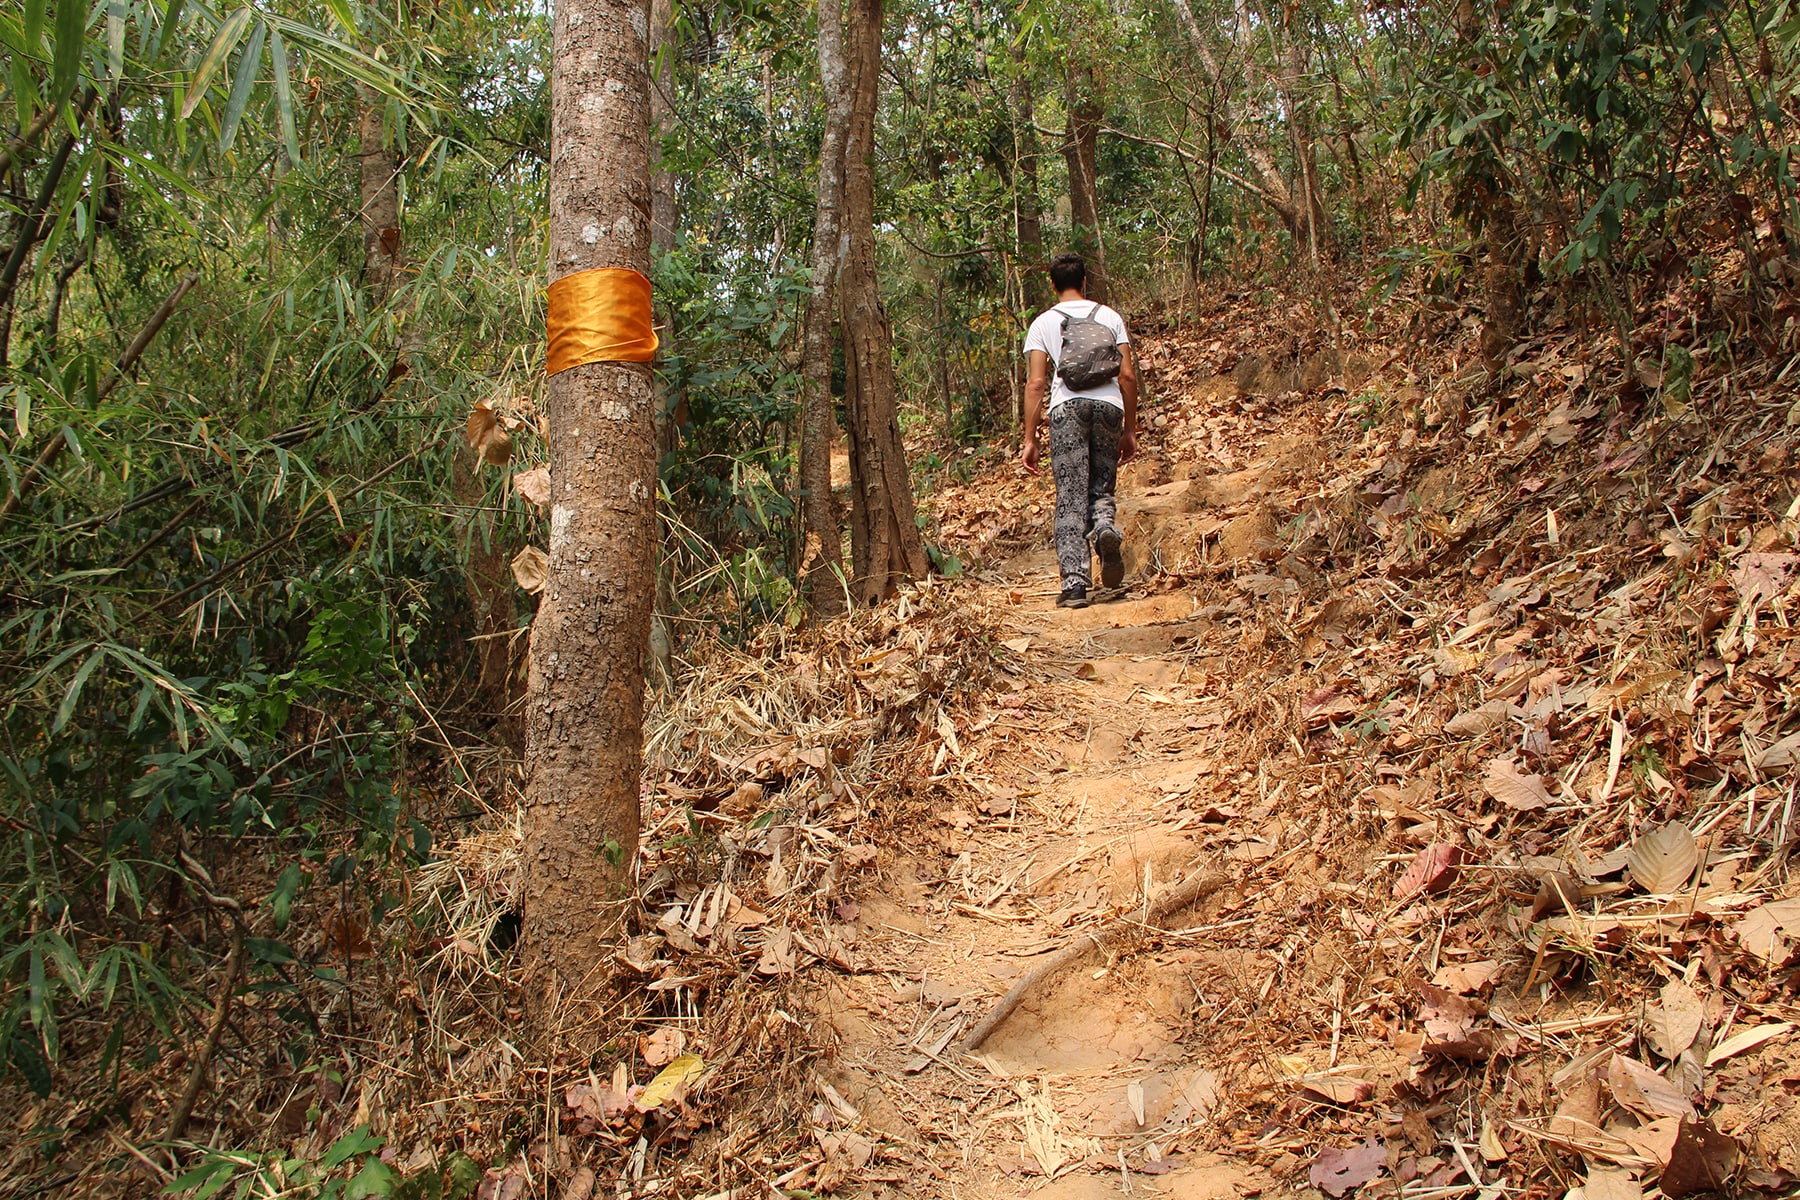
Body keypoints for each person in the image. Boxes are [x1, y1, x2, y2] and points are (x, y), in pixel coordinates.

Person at [1020, 253, 1139, 609]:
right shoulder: (1110, 317)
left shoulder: (1043, 322)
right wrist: (1130, 430)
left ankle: (1074, 585)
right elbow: (1128, 376)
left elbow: (1037, 383)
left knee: (1070, 496)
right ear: (1085, 281)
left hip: (1066, 409)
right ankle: (1104, 527)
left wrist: (1030, 437)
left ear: (1053, 284)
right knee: (1100, 485)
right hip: (1109, 406)